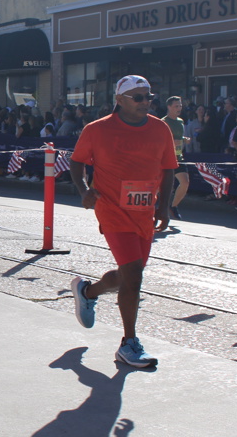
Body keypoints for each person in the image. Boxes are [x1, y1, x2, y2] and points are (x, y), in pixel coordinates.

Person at [69, 75, 177, 368]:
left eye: (148, 97)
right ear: (119, 100)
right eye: (138, 97)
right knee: (134, 276)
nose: (145, 102)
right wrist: (84, 190)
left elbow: (168, 169)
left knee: (130, 275)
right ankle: (129, 344)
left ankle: (88, 292)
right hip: (112, 209)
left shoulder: (160, 128)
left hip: (144, 212)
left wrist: (164, 207)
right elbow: (77, 162)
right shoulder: (97, 129)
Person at [162, 96, 190, 222]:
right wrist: (172, 142)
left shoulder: (180, 121)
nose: (179, 108)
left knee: (185, 183)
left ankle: (173, 206)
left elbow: (179, 136)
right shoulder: (164, 122)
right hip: (165, 158)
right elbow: (159, 140)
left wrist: (184, 139)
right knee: (159, 186)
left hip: (178, 156)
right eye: (176, 106)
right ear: (169, 107)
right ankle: (152, 208)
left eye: (180, 106)